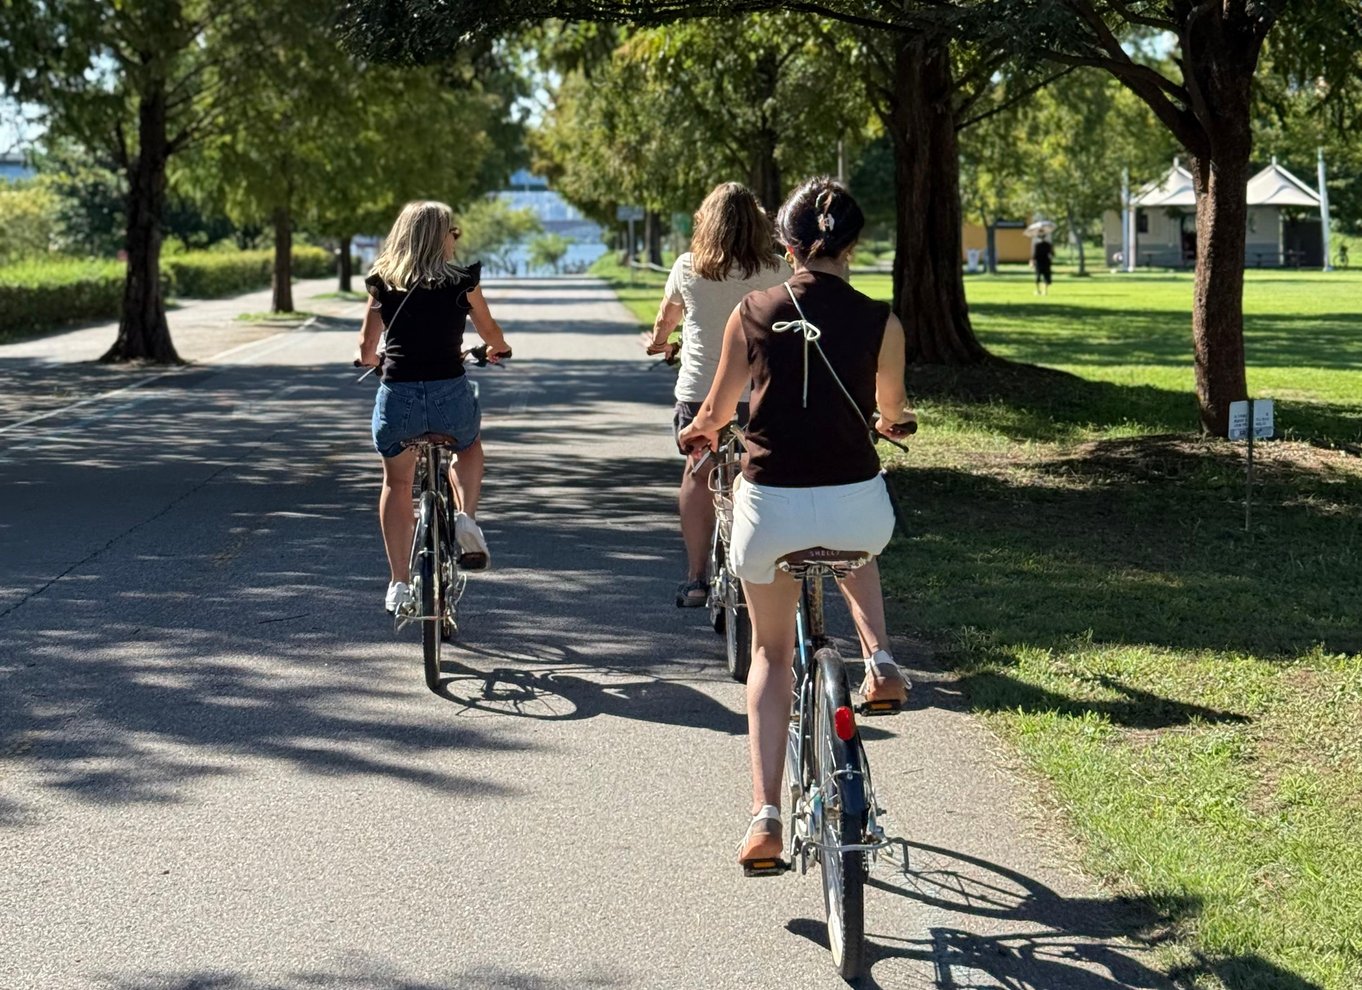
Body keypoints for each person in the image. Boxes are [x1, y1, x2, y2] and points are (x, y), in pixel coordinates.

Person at [677, 177, 915, 869]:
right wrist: (890, 422)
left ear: (786, 247)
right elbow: (892, 409)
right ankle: (880, 658)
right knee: (851, 541)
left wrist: (699, 432)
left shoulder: (753, 310)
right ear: (854, 246)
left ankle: (766, 818)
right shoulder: (882, 319)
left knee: (772, 655)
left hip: (770, 509)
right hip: (856, 509)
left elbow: (719, 410)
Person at [355, 200, 511, 614]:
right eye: (452, 232)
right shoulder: (462, 281)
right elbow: (490, 330)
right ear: (440, 236)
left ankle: (398, 584)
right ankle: (467, 519)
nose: (455, 239)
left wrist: (371, 361)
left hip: (399, 396)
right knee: (469, 445)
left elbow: (367, 347)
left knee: (397, 484)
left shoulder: (382, 283)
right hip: (448, 393)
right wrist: (498, 348)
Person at [644, 182, 791, 608]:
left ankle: (695, 579)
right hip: (762, 393)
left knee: (698, 474)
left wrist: (660, 343)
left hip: (701, 395)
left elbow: (664, 321)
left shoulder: (689, 267)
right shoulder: (779, 270)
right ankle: (764, 572)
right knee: (761, 476)